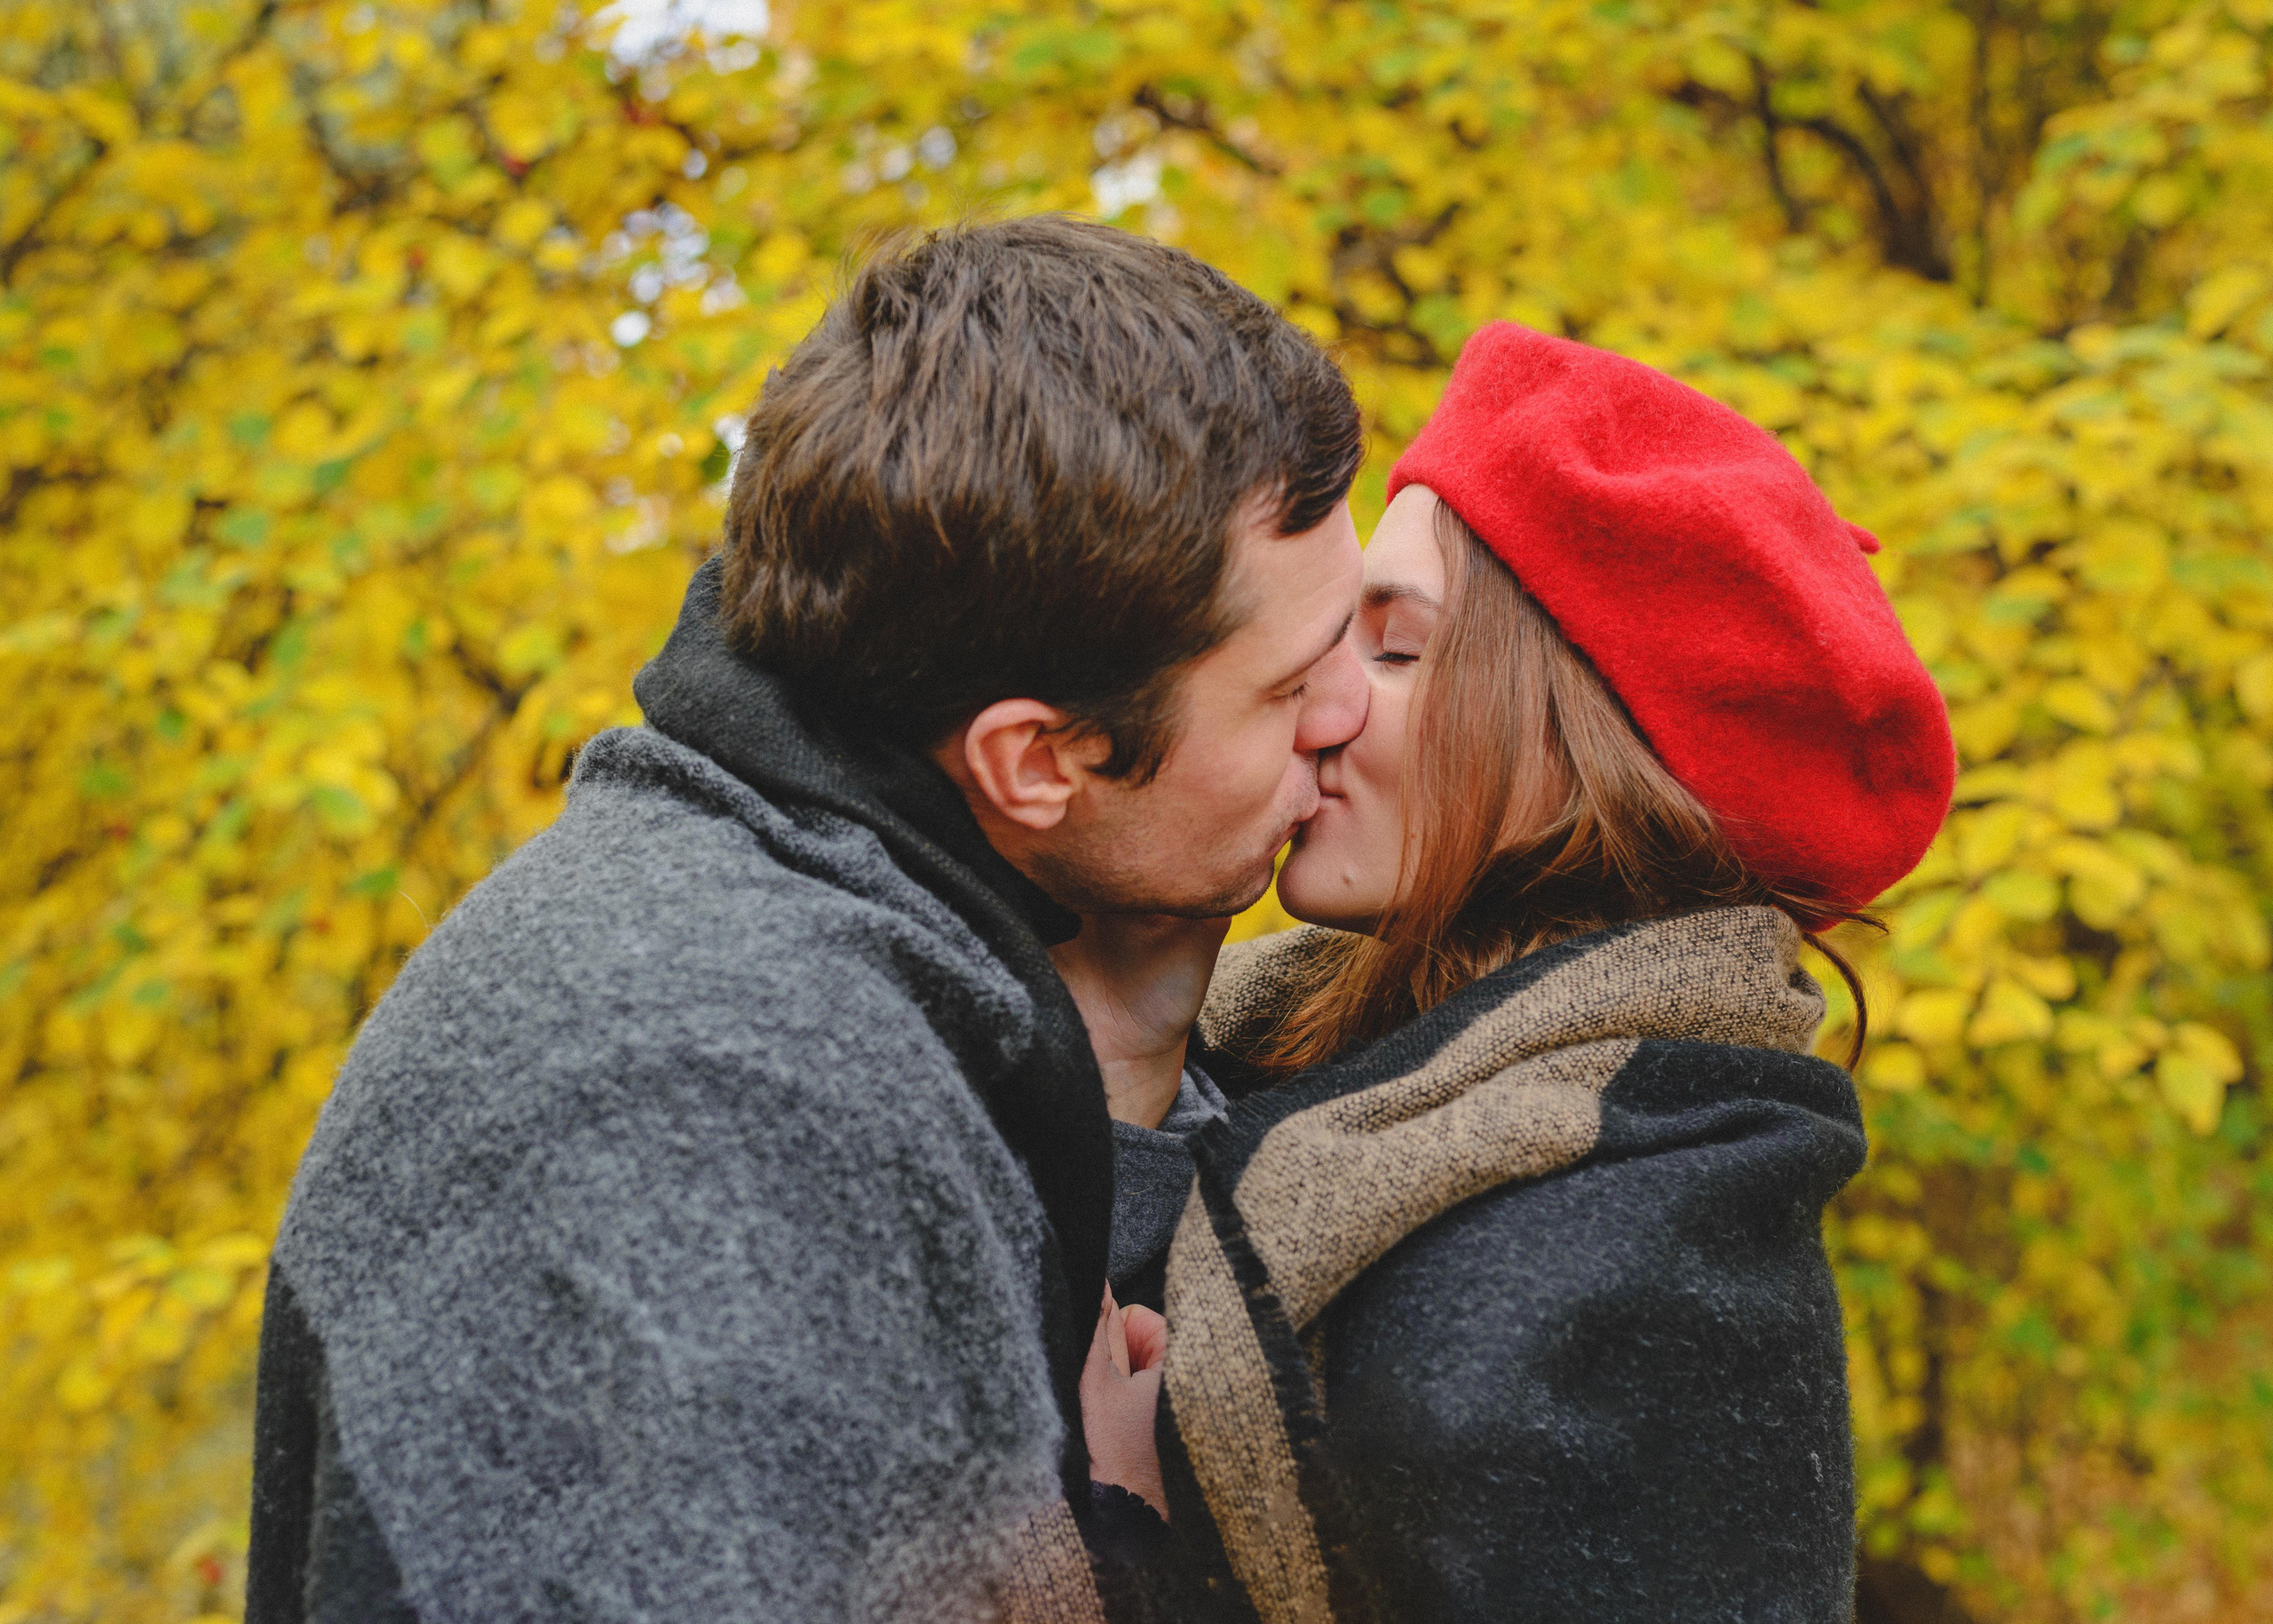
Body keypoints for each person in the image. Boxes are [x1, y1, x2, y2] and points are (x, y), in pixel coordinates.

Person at [244, 216, 1371, 1624]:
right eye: (1291, 684)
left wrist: (1121, 1079)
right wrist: (1140, 1555)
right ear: (1035, 761)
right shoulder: (702, 1103)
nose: (1351, 716)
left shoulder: (849, 925)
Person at [1065, 321, 1956, 1621]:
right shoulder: (1301, 1059)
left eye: (1397, 647)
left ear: (1575, 735)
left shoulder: (1646, 1264)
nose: (1320, 704)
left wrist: (1138, 1534)